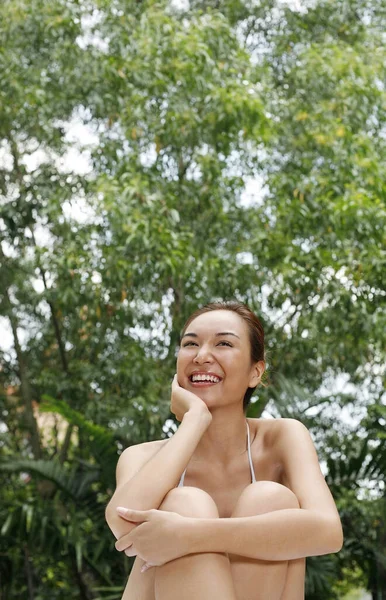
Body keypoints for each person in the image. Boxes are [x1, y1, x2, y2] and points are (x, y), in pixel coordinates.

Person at [105, 300, 343, 600]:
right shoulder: (141, 456)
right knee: (184, 503)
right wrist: (194, 419)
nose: (202, 356)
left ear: (255, 373)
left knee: (270, 499)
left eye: (223, 343)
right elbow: (121, 524)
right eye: (190, 344)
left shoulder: (282, 438)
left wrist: (188, 535)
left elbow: (328, 532)